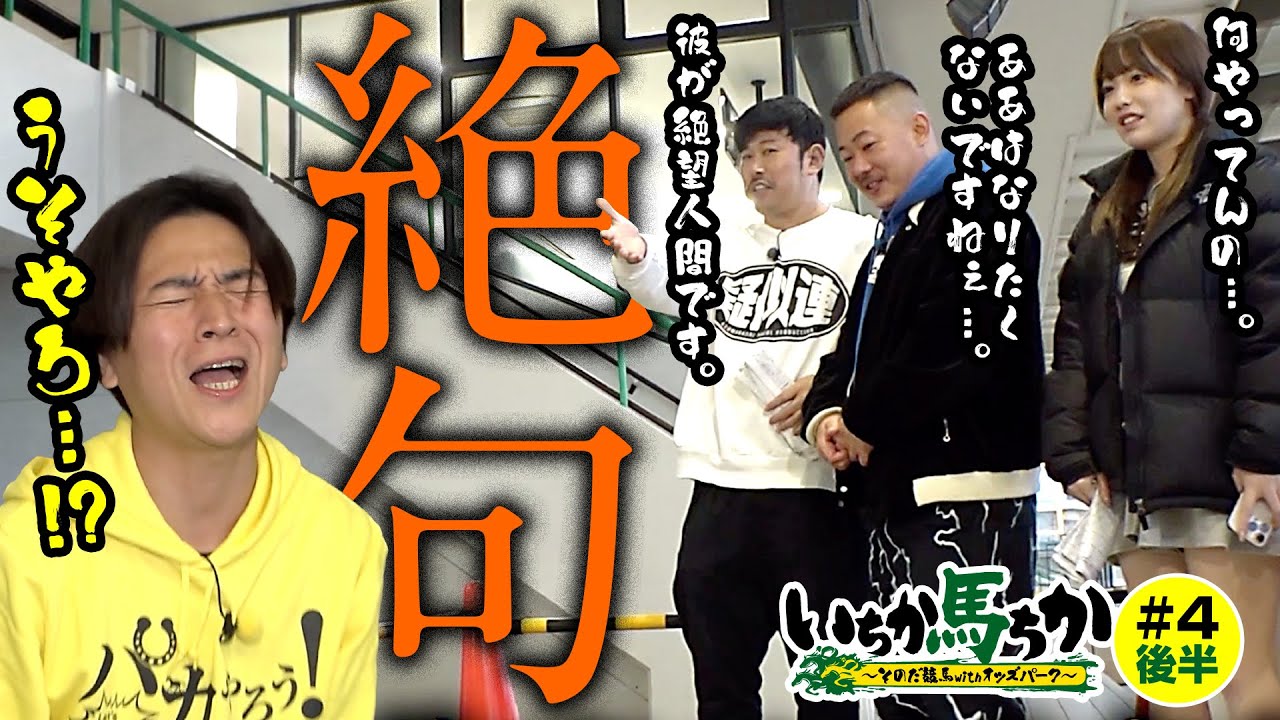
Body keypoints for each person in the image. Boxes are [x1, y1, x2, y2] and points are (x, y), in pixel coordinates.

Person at [0, 173, 388, 719]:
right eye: (175, 293)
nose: (220, 318)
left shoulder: (344, 542)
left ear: (281, 341)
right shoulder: (25, 552)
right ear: (107, 359)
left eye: (243, 287)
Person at [602, 96, 876, 718]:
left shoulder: (862, 242)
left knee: (830, 686)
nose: (754, 167)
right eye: (744, 156)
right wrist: (635, 255)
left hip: (818, 490)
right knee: (721, 682)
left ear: (813, 159)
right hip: (720, 487)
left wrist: (834, 390)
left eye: (769, 151)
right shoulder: (722, 244)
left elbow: (888, 344)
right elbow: (661, 283)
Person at [1043, 18, 1280, 720]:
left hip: (1224, 478)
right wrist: (1071, 453)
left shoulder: (1250, 183)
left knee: (1249, 680)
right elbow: (1076, 340)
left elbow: (1271, 330)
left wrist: (1264, 454)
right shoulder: (1107, 207)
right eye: (1108, 86)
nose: (1120, 98)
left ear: (1190, 85)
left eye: (1139, 77)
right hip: (1136, 485)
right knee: (1173, 684)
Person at [801, 71, 1044, 720]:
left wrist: (862, 418)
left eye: (868, 145)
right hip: (898, 493)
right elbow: (849, 350)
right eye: (847, 155)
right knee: (908, 693)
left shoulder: (981, 214)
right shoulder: (892, 239)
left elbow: (950, 346)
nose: (859, 167)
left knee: (963, 694)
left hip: (968, 492)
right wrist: (828, 415)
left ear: (918, 128)